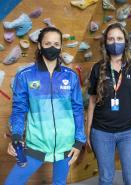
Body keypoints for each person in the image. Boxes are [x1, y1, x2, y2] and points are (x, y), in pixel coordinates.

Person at [4, 27, 86, 185]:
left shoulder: (71, 76)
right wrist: (16, 136)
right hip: (37, 145)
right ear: (40, 46)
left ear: (61, 47)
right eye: (47, 43)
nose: (52, 47)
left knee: (59, 183)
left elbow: (77, 110)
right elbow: (19, 110)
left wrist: (79, 141)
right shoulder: (25, 75)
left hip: (66, 145)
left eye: (56, 43)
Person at [87, 22, 131, 185]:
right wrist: (88, 132)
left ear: (126, 42)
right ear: (105, 43)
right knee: (106, 179)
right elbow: (92, 102)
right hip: (101, 132)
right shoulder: (97, 68)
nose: (115, 42)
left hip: (130, 132)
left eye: (119, 38)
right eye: (111, 39)